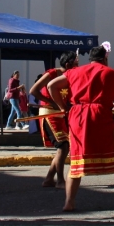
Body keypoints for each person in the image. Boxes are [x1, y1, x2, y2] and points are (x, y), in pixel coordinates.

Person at [47, 43, 114, 212]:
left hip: (77, 118)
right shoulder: (113, 74)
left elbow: (51, 86)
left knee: (76, 160)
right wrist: (113, 107)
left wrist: (63, 107)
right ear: (105, 58)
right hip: (100, 116)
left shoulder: (73, 72)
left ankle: (69, 202)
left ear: (89, 59)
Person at [29, 51, 79, 188]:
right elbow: (33, 91)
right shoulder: (52, 74)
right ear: (68, 64)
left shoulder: (71, 76)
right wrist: (49, 102)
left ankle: (49, 179)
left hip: (62, 114)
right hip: (49, 114)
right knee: (63, 146)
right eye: (76, 64)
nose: (78, 66)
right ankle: (61, 180)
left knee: (63, 147)